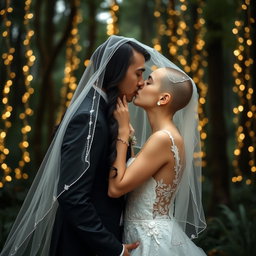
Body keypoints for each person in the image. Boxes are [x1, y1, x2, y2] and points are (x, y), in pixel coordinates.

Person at [0, 36, 150, 256]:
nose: (141, 82)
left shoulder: (103, 112)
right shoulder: (89, 118)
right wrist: (113, 248)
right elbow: (72, 195)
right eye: (138, 73)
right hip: (82, 247)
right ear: (115, 71)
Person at [108, 67, 207, 255]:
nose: (141, 83)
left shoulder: (162, 139)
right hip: (143, 235)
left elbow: (116, 188)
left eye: (149, 81)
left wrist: (121, 134)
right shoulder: (167, 137)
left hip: (151, 243)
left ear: (163, 98)